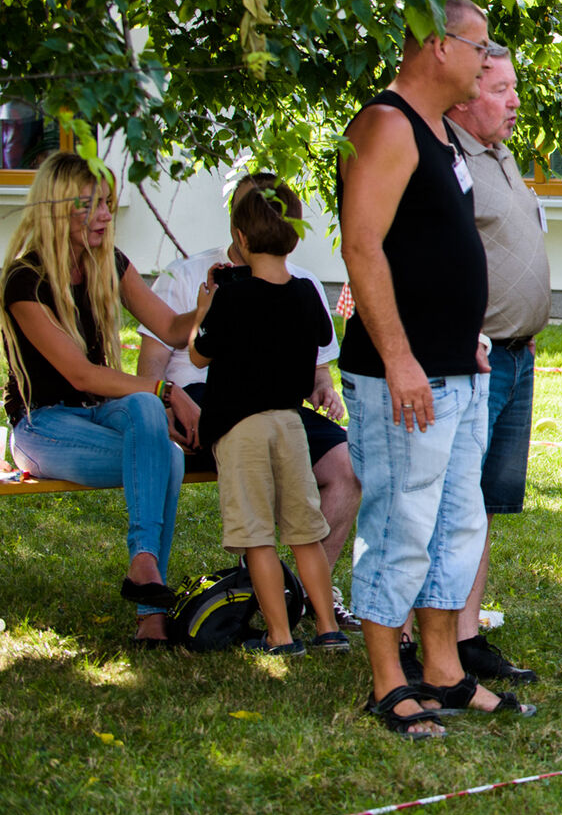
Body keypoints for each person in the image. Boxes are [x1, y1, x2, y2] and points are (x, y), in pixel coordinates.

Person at [339, 0, 528, 739]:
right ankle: (389, 680)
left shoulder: (440, 135)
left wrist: (465, 333)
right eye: (478, 46)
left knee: (457, 522)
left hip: (456, 366)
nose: (486, 61)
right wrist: (399, 357)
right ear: (435, 46)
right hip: (402, 374)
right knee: (400, 523)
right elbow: (363, 247)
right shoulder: (386, 125)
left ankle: (444, 670)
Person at [135, 172, 360, 632]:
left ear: (242, 229)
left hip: (259, 413)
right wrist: (165, 405)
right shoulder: (187, 273)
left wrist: (324, 388)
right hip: (206, 402)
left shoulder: (244, 293)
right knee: (302, 532)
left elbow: (313, 368)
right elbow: (153, 370)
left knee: (340, 471)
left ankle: (287, 612)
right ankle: (320, 622)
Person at [2, 153, 208, 646]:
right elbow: (79, 373)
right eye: (90, 205)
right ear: (56, 207)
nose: (104, 216)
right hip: (42, 427)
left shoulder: (109, 263)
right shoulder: (23, 280)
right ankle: (148, 610)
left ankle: (143, 568)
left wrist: (204, 306)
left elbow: (172, 330)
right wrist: (169, 391)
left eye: (109, 204)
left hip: (98, 414)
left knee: (143, 411)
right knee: (170, 460)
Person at [188, 178, 345, 656]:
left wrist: (202, 310)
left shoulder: (231, 299)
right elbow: (320, 337)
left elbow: (198, 356)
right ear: (295, 236)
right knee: (306, 533)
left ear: (240, 238)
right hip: (291, 424)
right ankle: (326, 627)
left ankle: (280, 635)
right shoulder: (306, 294)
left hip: (242, 430)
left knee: (257, 535)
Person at [444, 45, 549, 685]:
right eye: (501, 89)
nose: (515, 101)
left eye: (515, 88)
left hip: (517, 354)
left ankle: (466, 632)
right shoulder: (446, 155)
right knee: (451, 501)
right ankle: (415, 635)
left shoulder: (499, 154)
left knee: (482, 503)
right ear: (463, 91)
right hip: (474, 358)